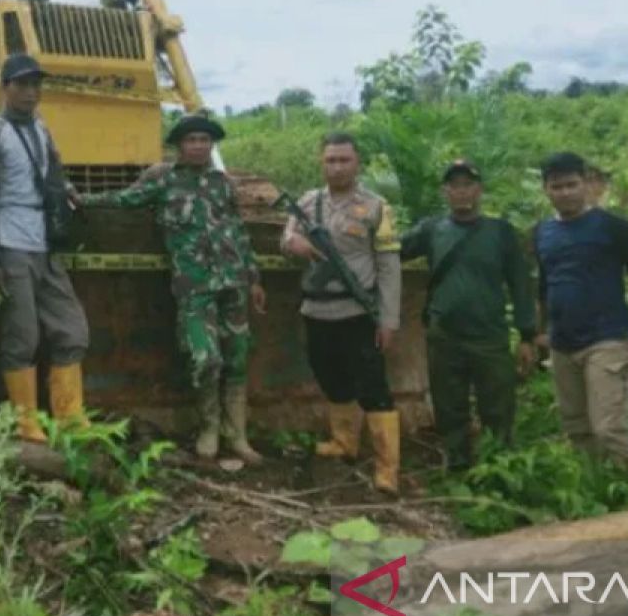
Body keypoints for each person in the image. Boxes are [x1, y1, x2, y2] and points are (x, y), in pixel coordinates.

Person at [82, 115, 267, 462]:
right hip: (194, 287)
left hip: (234, 284)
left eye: (205, 140)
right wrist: (82, 200)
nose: (199, 145)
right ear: (179, 146)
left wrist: (254, 278)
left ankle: (237, 435)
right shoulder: (164, 181)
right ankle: (209, 428)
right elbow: (124, 200)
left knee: (238, 358)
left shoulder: (222, 183)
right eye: (192, 139)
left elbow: (239, 233)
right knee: (205, 358)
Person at [0, 54, 90, 442]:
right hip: (10, 240)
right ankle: (26, 423)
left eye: (36, 85)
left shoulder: (42, 130)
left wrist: (69, 191)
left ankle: (70, 416)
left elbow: (54, 174)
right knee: (23, 334)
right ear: (5, 88)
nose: (30, 92)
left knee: (72, 328)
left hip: (45, 241)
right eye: (22, 84)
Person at [280, 132, 402, 494]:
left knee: (373, 386)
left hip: (358, 313)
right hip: (316, 310)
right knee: (331, 378)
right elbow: (285, 238)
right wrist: (293, 243)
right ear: (322, 163)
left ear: (357, 163)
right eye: (330, 160)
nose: (336, 167)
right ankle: (344, 443)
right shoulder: (307, 202)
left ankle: (386, 468)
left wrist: (388, 320)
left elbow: (389, 266)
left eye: (344, 160)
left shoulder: (377, 207)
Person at [401, 159, 536, 470]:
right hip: (444, 336)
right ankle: (458, 466)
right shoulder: (433, 230)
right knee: (450, 408)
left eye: (468, 185)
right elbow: (391, 250)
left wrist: (527, 334)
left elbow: (520, 285)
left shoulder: (500, 232)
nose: (461, 192)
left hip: (489, 336)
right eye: (454, 186)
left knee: (498, 407)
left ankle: (499, 467)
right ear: (445, 191)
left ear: (479, 190)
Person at [533, 151, 628, 467]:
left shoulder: (614, 227)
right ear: (546, 189)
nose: (565, 192)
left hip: (607, 338)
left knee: (608, 428)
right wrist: (538, 332)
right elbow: (543, 286)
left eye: (571, 184)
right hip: (562, 343)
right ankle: (593, 488)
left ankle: (626, 491)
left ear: (587, 184)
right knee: (576, 426)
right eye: (557, 186)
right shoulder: (542, 232)